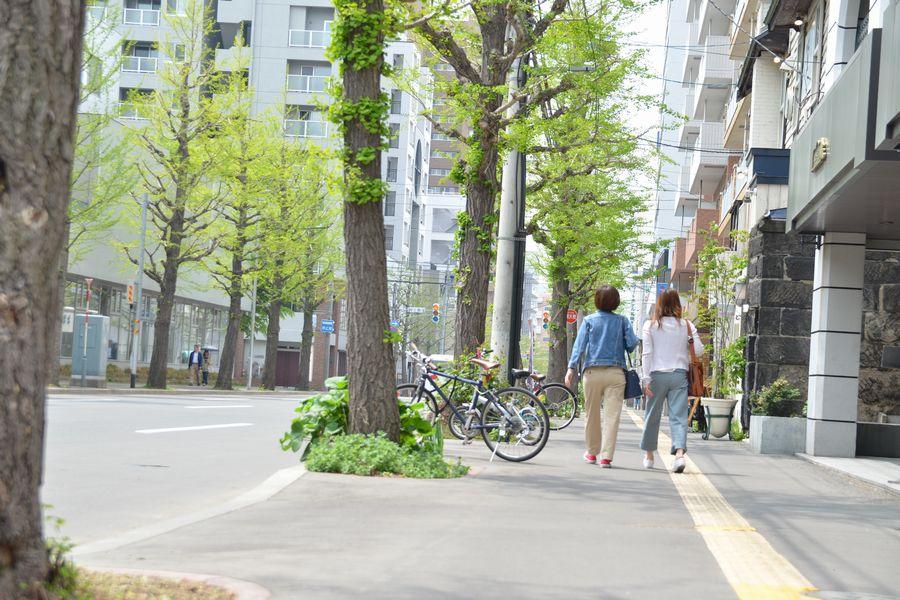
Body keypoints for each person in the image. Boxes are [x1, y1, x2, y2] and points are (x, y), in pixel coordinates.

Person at [565, 285, 638, 468]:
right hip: (616, 374)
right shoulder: (622, 321)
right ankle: (606, 458)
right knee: (612, 416)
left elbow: (579, 346)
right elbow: (631, 344)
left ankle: (591, 453)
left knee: (592, 414)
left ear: (597, 300)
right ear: (616, 301)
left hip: (592, 373)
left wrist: (571, 368)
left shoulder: (589, 320)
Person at [640, 289, 704, 474]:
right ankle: (680, 455)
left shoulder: (650, 325)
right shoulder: (687, 325)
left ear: (659, 304)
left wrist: (645, 379)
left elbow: (647, 354)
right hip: (678, 375)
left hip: (656, 376)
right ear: (678, 304)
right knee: (678, 416)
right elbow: (698, 351)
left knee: (652, 415)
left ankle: (650, 455)